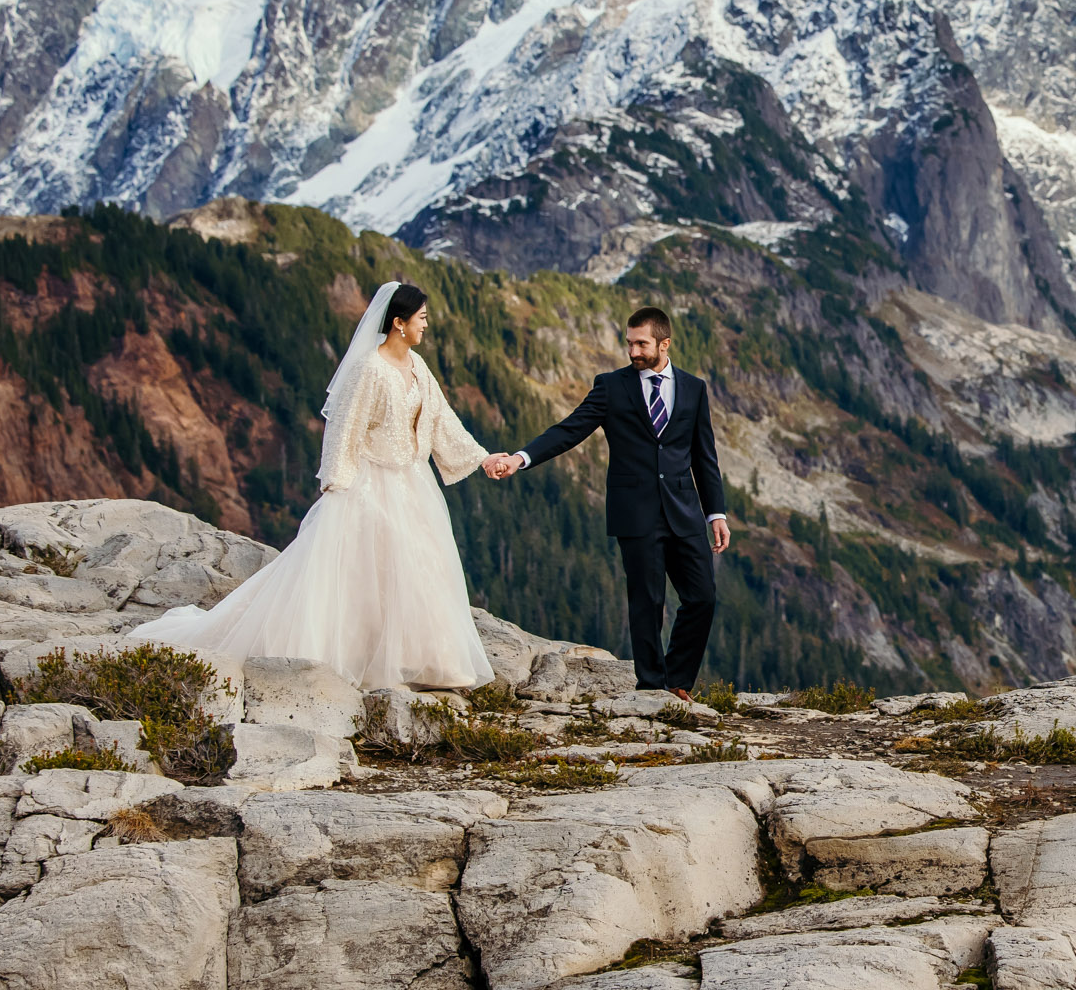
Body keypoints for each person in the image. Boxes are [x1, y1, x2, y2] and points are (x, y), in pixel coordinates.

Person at [129, 281, 498, 691]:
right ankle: (365, 659)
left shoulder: (417, 367)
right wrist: (338, 483)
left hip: (414, 482)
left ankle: (427, 660)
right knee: (367, 570)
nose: (426, 326)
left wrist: (483, 458)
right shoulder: (369, 370)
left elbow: (442, 420)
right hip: (371, 483)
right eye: (422, 318)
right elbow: (343, 428)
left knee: (419, 567)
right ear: (398, 323)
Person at [484, 306, 729, 697]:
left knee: (702, 598)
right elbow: (570, 429)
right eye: (629, 342)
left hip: (685, 512)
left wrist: (716, 512)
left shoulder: (694, 388)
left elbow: (704, 456)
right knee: (646, 604)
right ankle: (652, 686)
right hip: (636, 513)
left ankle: (679, 682)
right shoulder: (612, 386)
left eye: (641, 343)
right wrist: (520, 458)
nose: (632, 351)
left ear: (664, 343)